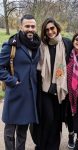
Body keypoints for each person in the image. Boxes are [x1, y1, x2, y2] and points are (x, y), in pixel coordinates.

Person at [0, 14, 41, 150]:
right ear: (21, 27)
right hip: (15, 93)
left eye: (32, 26)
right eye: (27, 26)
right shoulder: (11, 45)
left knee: (23, 130)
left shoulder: (37, 44)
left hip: (30, 95)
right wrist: (12, 80)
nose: (30, 29)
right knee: (10, 130)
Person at [36, 17, 72, 150]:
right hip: (45, 89)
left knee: (57, 119)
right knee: (47, 118)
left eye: (52, 28)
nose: (50, 32)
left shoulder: (66, 43)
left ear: (57, 27)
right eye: (47, 30)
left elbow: (77, 55)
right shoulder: (41, 45)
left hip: (60, 88)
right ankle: (41, 145)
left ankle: (53, 146)